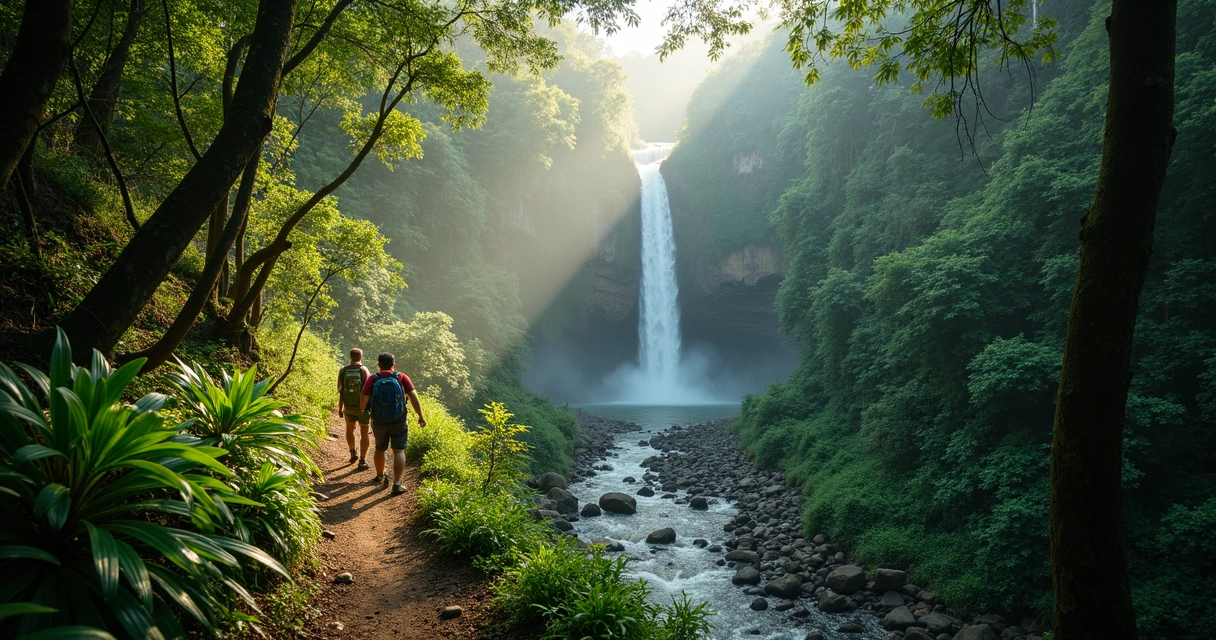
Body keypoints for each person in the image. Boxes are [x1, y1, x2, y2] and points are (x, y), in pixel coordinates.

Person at [361, 352, 426, 495]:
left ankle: (379, 476)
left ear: (379, 365)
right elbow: (414, 398)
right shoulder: (402, 377)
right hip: (399, 420)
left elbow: (362, 404)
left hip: (378, 421)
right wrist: (420, 416)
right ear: (393, 365)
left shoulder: (372, 379)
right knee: (399, 451)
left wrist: (368, 410)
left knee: (380, 448)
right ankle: (397, 484)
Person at [337, 348, 371, 468]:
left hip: (349, 408)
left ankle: (352, 451)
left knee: (349, 429)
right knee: (364, 432)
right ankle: (362, 460)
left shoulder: (343, 370)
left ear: (350, 357)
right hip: (362, 408)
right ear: (361, 357)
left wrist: (340, 408)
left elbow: (340, 390)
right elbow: (369, 390)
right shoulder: (364, 370)